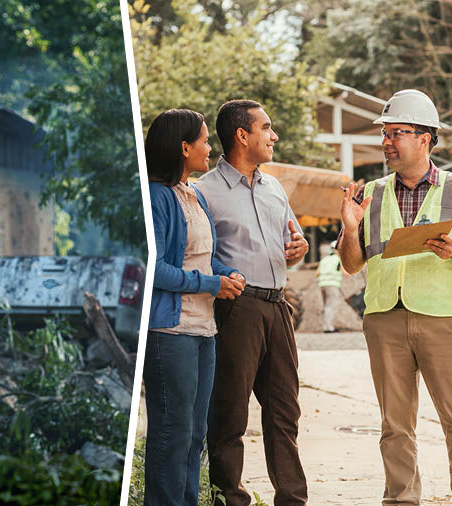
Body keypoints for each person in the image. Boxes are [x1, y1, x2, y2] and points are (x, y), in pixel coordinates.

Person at [337, 89, 452, 506]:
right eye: (385, 134)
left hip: (442, 319)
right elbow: (351, 265)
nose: (387, 142)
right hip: (385, 318)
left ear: (425, 138)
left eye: (397, 133)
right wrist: (350, 228)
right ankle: (401, 500)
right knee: (394, 425)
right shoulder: (369, 193)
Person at [195, 99, 309, 506]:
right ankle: (230, 498)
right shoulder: (202, 192)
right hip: (237, 309)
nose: (273, 136)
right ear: (242, 136)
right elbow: (197, 254)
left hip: (279, 307)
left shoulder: (275, 187)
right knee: (230, 413)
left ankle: (292, 500)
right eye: (266, 128)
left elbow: (293, 240)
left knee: (285, 412)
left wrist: (298, 246)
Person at [144, 109, 244, 506]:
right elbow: (156, 268)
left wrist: (227, 273)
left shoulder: (193, 193)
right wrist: (210, 284)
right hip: (171, 332)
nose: (209, 147)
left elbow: (203, 258)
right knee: (172, 433)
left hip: (204, 332)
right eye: (203, 140)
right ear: (184, 147)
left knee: (195, 433)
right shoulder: (157, 197)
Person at [316, 241, 342, 333]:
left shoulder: (324, 259)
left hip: (322, 284)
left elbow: (317, 273)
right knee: (330, 306)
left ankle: (325, 326)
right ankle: (328, 327)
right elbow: (346, 273)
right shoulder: (339, 260)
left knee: (326, 306)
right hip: (333, 284)